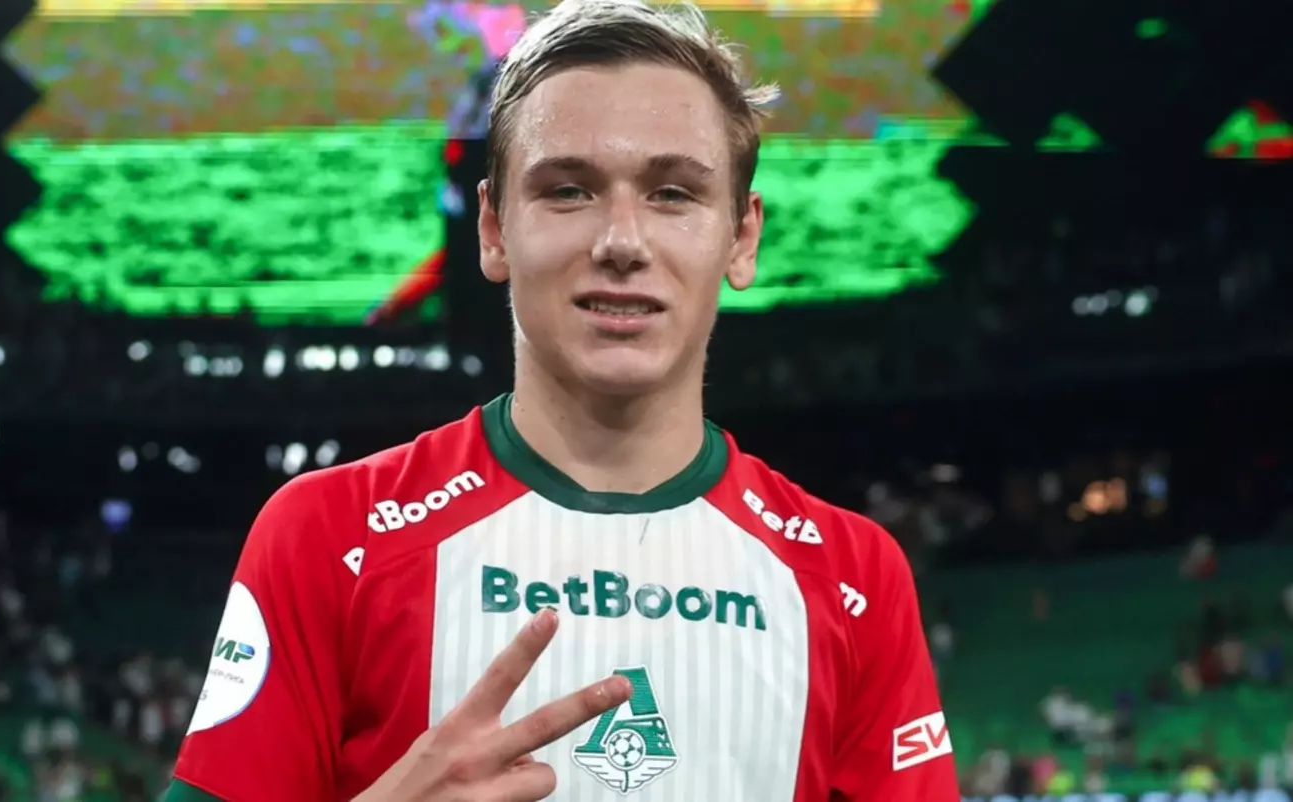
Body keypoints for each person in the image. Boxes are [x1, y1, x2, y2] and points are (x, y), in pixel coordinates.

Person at [163, 1, 956, 800]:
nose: (621, 242)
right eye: (569, 190)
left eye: (673, 193)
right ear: (493, 229)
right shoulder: (331, 535)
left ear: (741, 238)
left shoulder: (855, 579)